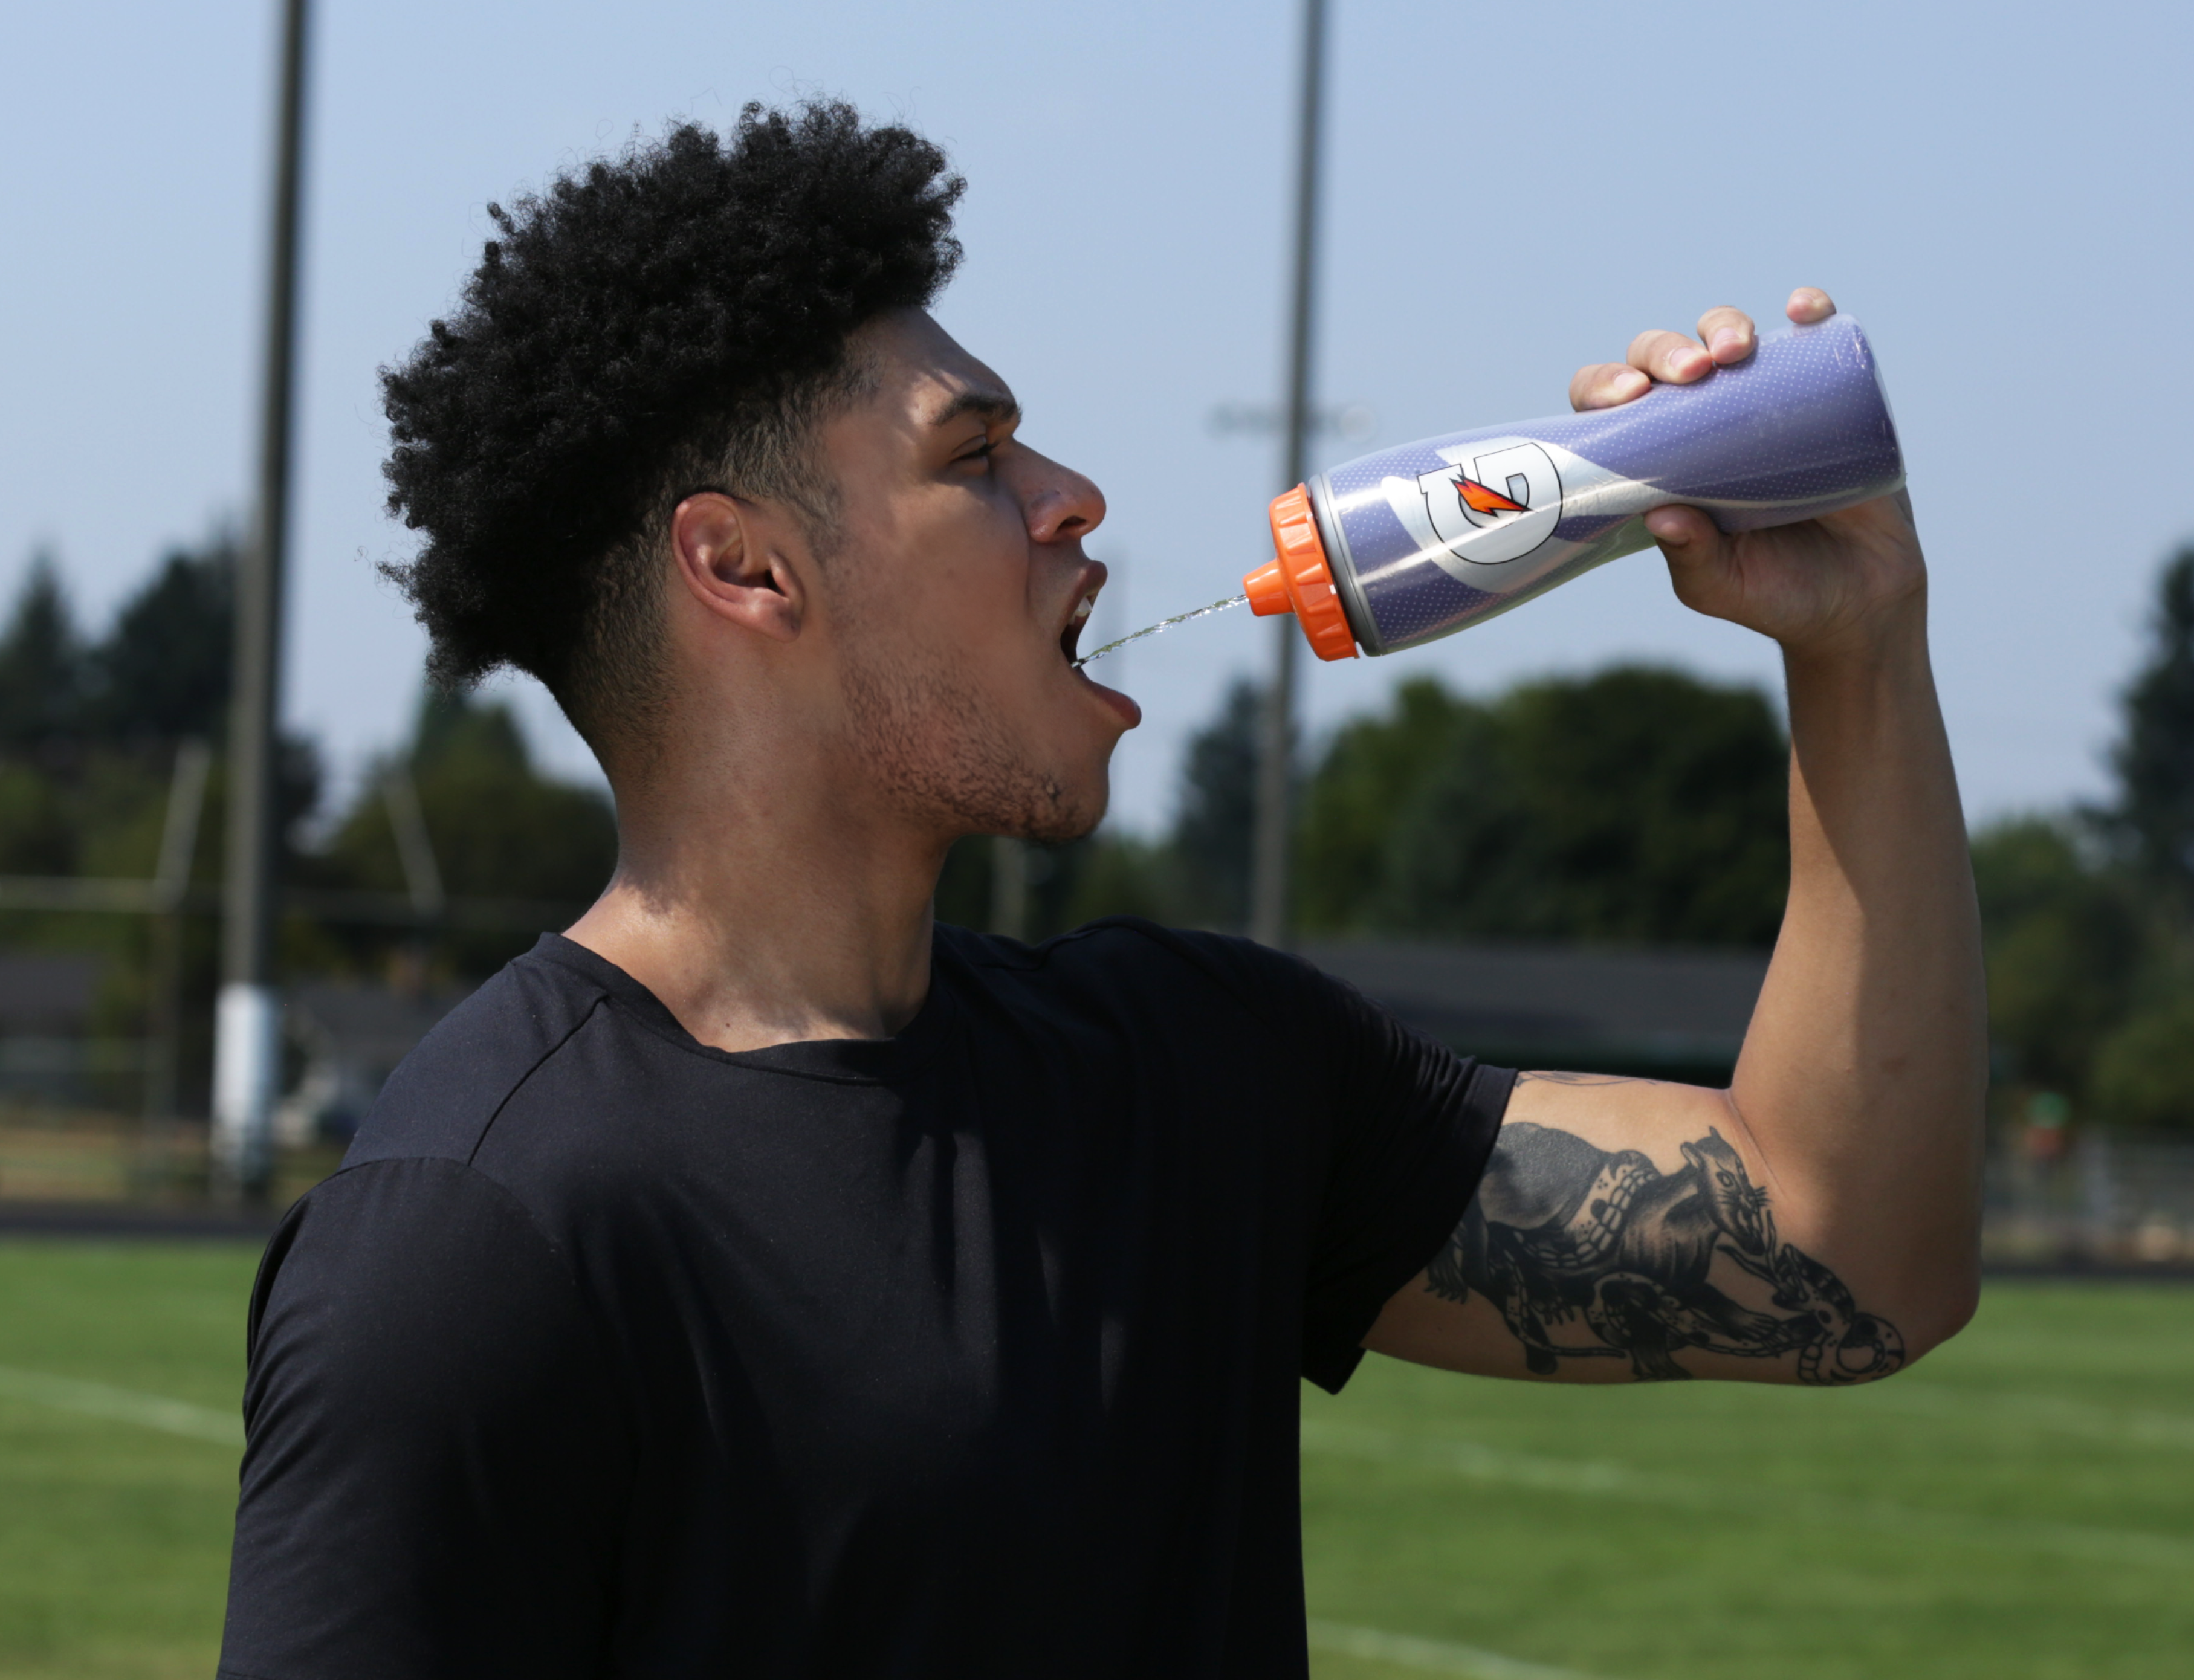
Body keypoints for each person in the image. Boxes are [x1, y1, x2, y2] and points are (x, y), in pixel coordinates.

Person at [217, 103, 1985, 1679]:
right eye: (974, 458)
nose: (1075, 498)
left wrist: (1855, 647)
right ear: (745, 567)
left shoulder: (1196, 1066)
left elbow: (1851, 1251)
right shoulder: (470, 1240)